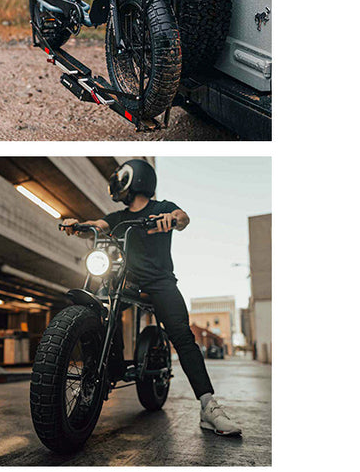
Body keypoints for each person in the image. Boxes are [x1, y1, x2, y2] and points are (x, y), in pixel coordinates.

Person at [60, 158, 243, 436]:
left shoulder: (162, 208)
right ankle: (107, 370)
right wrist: (77, 225)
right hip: (128, 281)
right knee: (102, 306)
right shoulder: (118, 217)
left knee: (182, 335)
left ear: (137, 180)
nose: (118, 184)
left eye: (123, 178)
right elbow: (98, 224)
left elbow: (183, 217)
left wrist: (174, 220)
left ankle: (208, 406)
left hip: (160, 282)